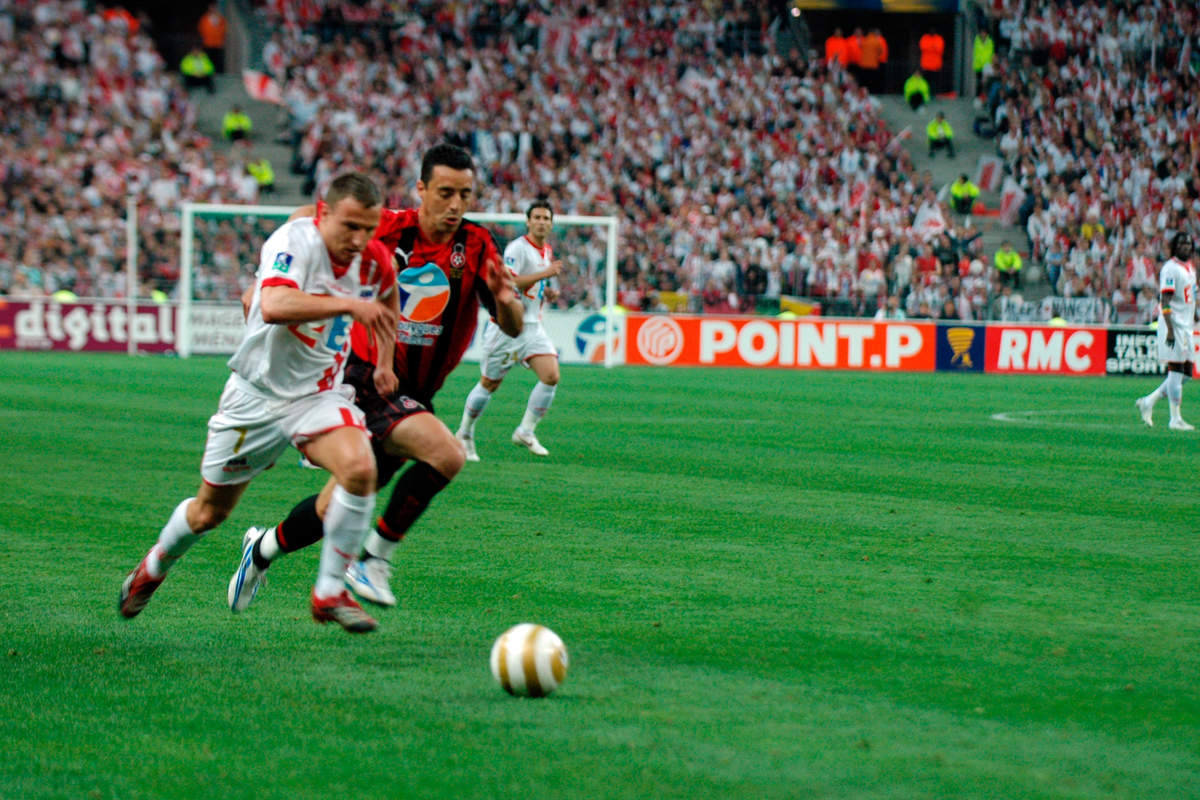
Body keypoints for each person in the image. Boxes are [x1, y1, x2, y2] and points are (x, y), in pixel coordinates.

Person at [227, 143, 524, 611]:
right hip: (367, 375)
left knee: (334, 507)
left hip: (417, 394)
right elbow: (312, 212)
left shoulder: (478, 245)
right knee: (447, 454)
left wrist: (507, 301)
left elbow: (512, 327)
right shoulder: (390, 226)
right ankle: (372, 560)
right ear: (421, 189)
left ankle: (262, 548)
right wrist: (267, 275)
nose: (455, 205)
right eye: (445, 192)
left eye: (465, 194)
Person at [118, 173, 400, 633]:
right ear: (322, 212)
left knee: (360, 468)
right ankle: (153, 566)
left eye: (368, 229)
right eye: (350, 226)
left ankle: (329, 591)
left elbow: (386, 302)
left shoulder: (374, 262)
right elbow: (274, 304)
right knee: (210, 512)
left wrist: (384, 362)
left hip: (317, 394)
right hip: (255, 396)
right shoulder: (294, 241)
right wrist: (347, 306)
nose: (359, 240)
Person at [455, 199, 564, 461]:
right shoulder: (517, 248)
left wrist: (544, 292)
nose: (541, 222)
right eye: (536, 217)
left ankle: (525, 431)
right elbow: (510, 281)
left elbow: (529, 286)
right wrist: (545, 274)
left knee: (551, 376)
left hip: (533, 328)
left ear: (551, 223)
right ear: (528, 221)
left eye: (546, 218)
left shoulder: (546, 250)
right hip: (506, 328)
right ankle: (465, 433)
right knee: (489, 383)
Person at [1136, 232, 1197, 431]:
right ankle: (1175, 418)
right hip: (1174, 325)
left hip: (1187, 325)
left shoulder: (1190, 268)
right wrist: (1170, 329)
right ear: (1174, 246)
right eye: (1181, 244)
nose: (1185, 247)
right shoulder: (1170, 269)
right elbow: (1165, 300)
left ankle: (1149, 401)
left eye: (1188, 243)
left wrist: (1194, 315)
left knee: (1186, 373)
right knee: (1176, 370)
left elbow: (1189, 297)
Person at [197, 3, 227, 73]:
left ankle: (219, 73)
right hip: (208, 43)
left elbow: (224, 30)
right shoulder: (204, 19)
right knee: (208, 60)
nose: (213, 10)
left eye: (214, 8)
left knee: (218, 60)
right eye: (211, 8)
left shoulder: (221, 19)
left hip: (218, 44)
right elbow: (201, 29)